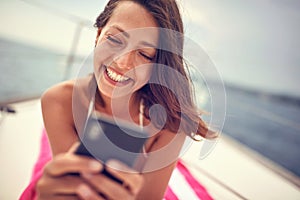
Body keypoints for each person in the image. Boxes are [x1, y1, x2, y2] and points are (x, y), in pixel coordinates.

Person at [32, 0, 215, 199]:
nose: (123, 62)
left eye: (144, 54)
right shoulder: (59, 100)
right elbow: (72, 187)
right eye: (115, 40)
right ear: (98, 35)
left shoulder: (170, 121)